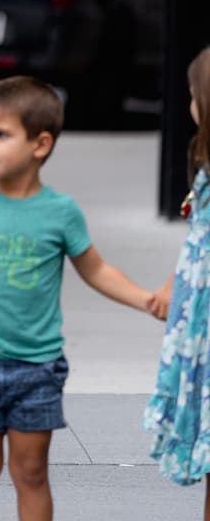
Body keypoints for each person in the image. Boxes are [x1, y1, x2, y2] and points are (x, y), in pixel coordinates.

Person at [0, 75, 156, 521]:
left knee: (31, 472)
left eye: (1, 135)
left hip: (37, 369)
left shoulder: (61, 213)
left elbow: (96, 269)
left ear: (40, 144)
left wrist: (146, 299)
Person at [144, 46, 210, 514]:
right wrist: (173, 285)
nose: (188, 105)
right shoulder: (205, 171)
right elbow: (199, 242)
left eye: (192, 95)